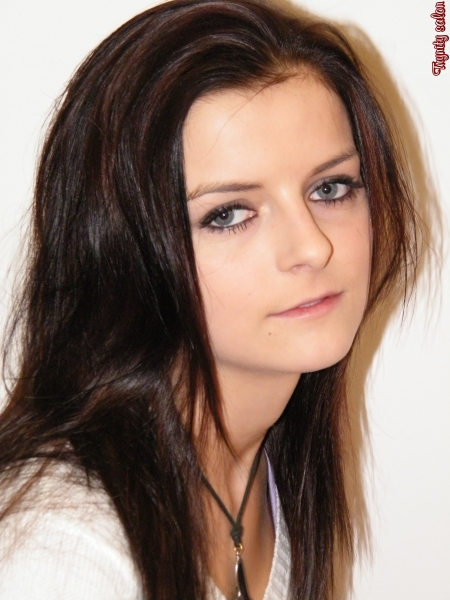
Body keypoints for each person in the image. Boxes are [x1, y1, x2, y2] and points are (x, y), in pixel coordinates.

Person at [0, 0, 418, 598]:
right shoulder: (59, 548)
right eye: (228, 214)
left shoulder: (270, 461)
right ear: (122, 252)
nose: (312, 247)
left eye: (330, 188)